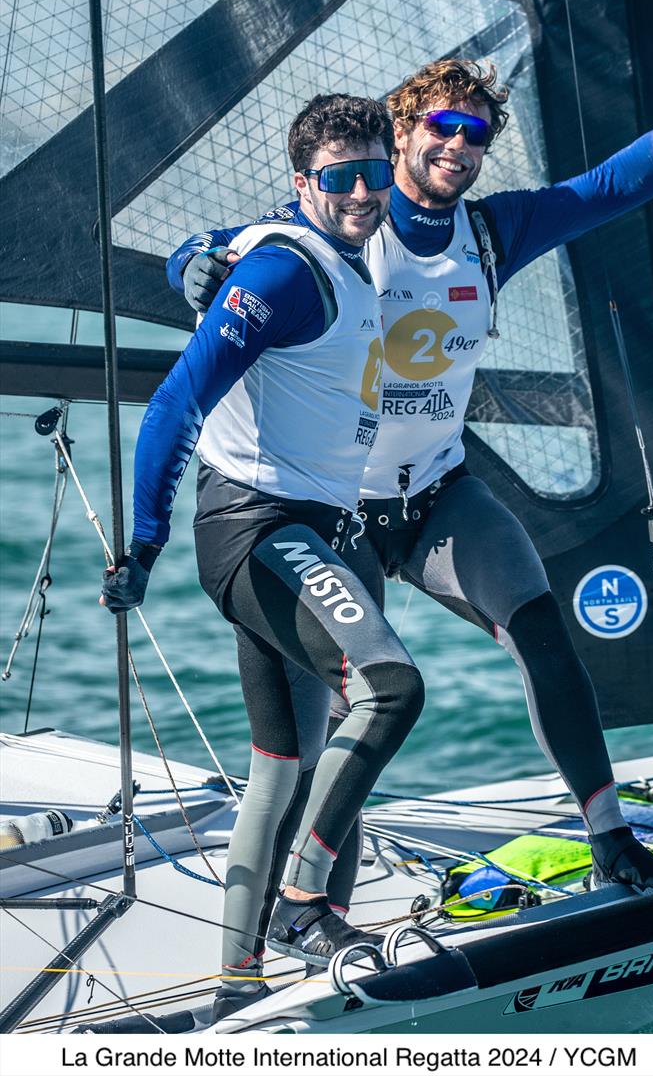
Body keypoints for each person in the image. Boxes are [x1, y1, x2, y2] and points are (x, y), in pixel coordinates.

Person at [168, 23, 653, 964]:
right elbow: (213, 254)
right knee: (323, 731)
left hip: (439, 498)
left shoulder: (492, 231)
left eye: (478, 133)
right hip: (332, 516)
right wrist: (187, 267)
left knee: (540, 628)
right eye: (442, 123)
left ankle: (611, 839)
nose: (459, 145)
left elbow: (615, 186)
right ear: (400, 132)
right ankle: (298, 928)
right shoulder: (344, 221)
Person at [101, 94, 428, 1022]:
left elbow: (208, 240)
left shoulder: (309, 238)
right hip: (258, 528)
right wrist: (146, 543)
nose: (363, 192)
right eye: (340, 178)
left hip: (321, 530)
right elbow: (174, 403)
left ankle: (232, 986)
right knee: (390, 689)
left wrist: (183, 258)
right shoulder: (287, 270)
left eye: (374, 172)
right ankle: (303, 900)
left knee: (290, 763)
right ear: (303, 183)